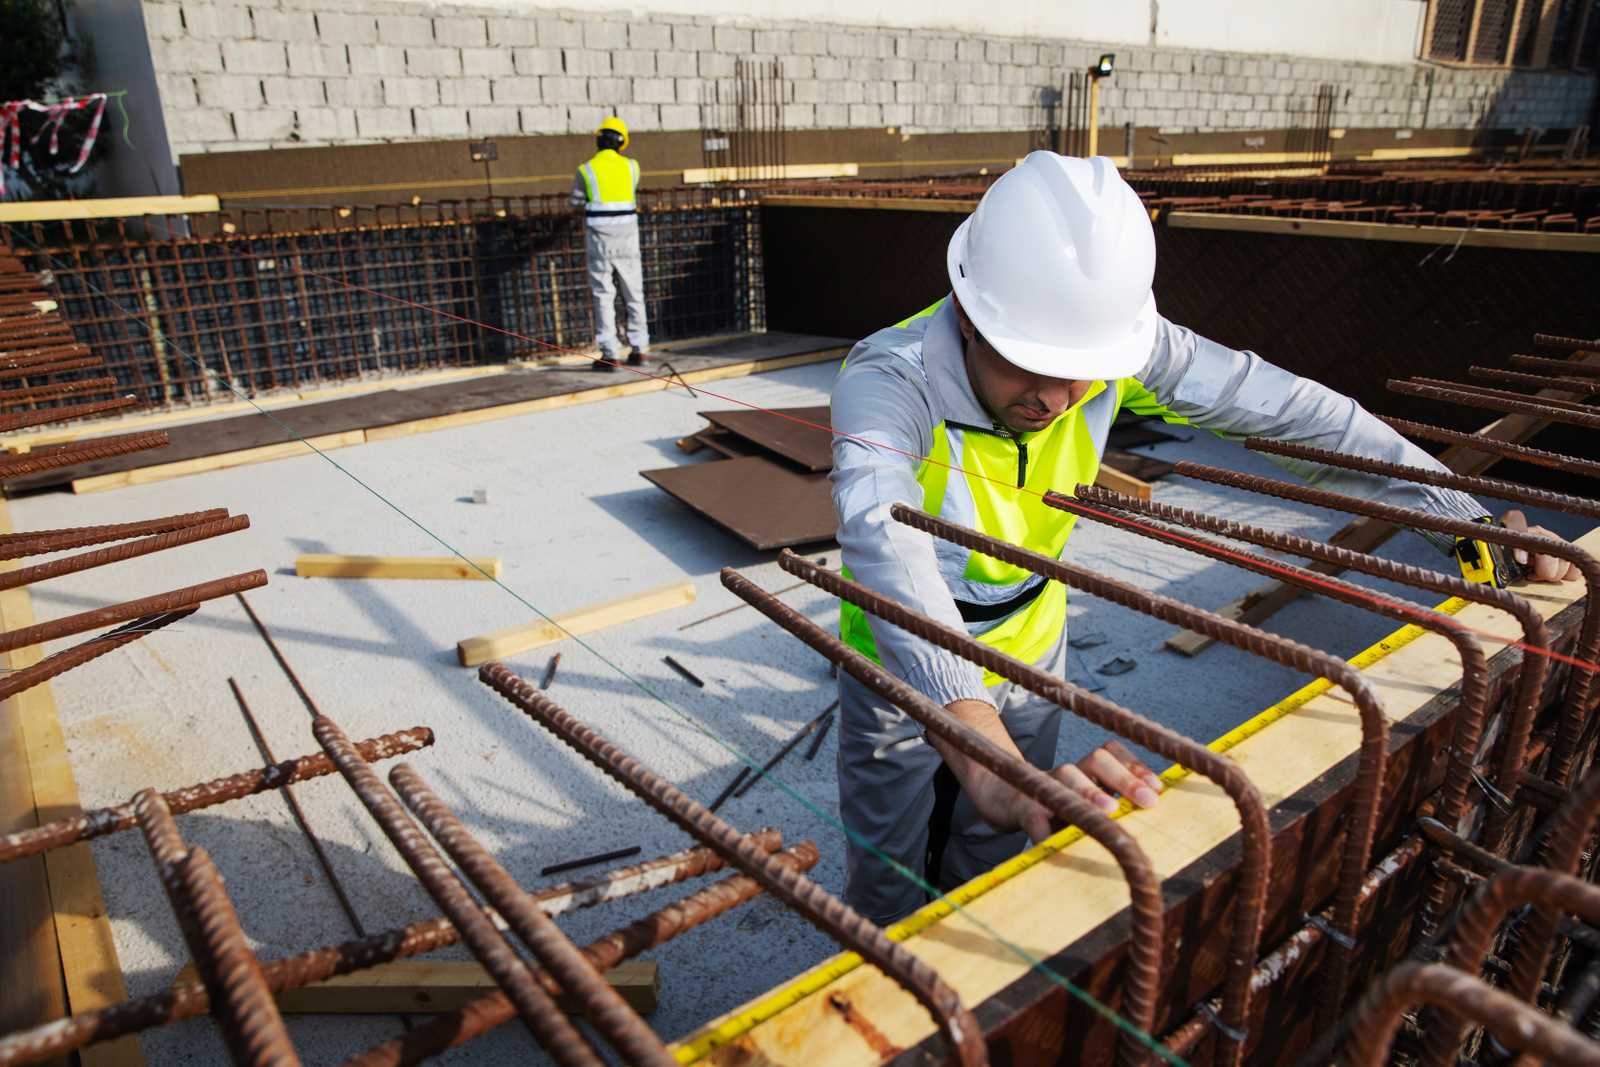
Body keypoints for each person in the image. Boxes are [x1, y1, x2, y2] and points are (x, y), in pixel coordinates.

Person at [829, 150, 1579, 927]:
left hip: (1031, 644)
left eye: (1080, 373)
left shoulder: (1115, 347)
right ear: (967, 304)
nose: (1056, 399)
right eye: (1031, 366)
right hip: (896, 663)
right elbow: (887, 552)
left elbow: (1294, 414)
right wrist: (985, 753)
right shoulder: (888, 380)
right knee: (886, 884)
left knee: (992, 859)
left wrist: (1461, 517)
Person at [571, 115, 649, 372]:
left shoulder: (586, 170)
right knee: (633, 292)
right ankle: (640, 349)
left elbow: (576, 202)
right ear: (622, 142)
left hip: (599, 239)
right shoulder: (632, 167)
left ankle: (610, 353)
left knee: (603, 294)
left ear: (598, 141)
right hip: (627, 238)